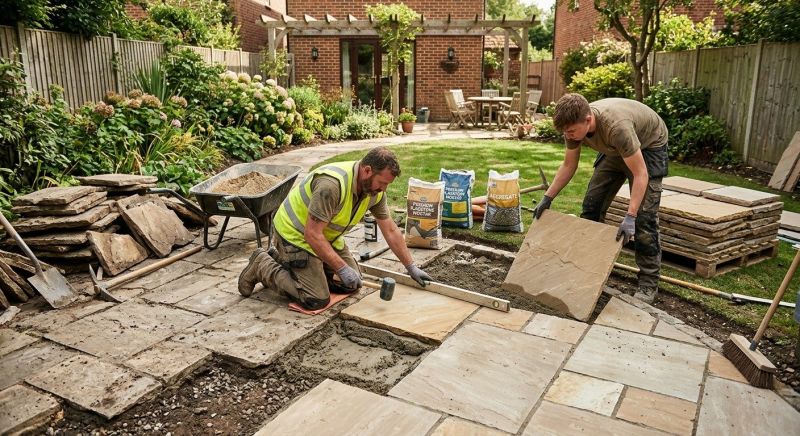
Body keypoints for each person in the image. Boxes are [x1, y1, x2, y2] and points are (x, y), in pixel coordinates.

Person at [238, 146, 433, 310]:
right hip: (295, 235)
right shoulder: (331, 186)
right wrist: (341, 267)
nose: (384, 189)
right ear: (367, 170)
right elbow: (312, 234)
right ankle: (262, 264)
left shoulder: (374, 191)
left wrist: (411, 266)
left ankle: (298, 266)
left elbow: (390, 230)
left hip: (326, 237)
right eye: (382, 183)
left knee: (352, 283)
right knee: (316, 299)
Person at [532, 94, 669, 303]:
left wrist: (631, 216)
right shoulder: (573, 126)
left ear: (587, 120)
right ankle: (587, 269)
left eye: (570, 131)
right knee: (591, 208)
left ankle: (648, 283)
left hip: (649, 146)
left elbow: (641, 174)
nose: (568, 135)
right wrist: (547, 198)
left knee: (645, 219)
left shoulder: (617, 128)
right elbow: (569, 165)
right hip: (614, 149)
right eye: (565, 132)